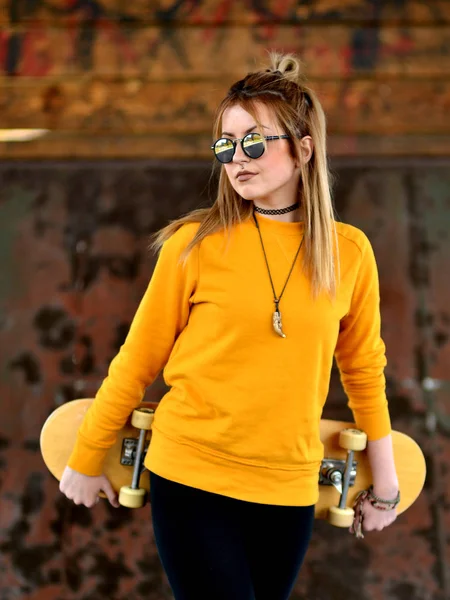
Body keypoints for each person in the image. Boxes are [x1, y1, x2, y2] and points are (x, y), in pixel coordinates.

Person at [60, 52, 400, 600]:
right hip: (192, 473)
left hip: (288, 486)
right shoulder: (193, 245)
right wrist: (84, 456)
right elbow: (137, 358)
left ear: (304, 149)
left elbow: (364, 370)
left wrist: (384, 485)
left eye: (254, 142)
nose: (236, 158)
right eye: (226, 144)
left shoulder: (349, 253)